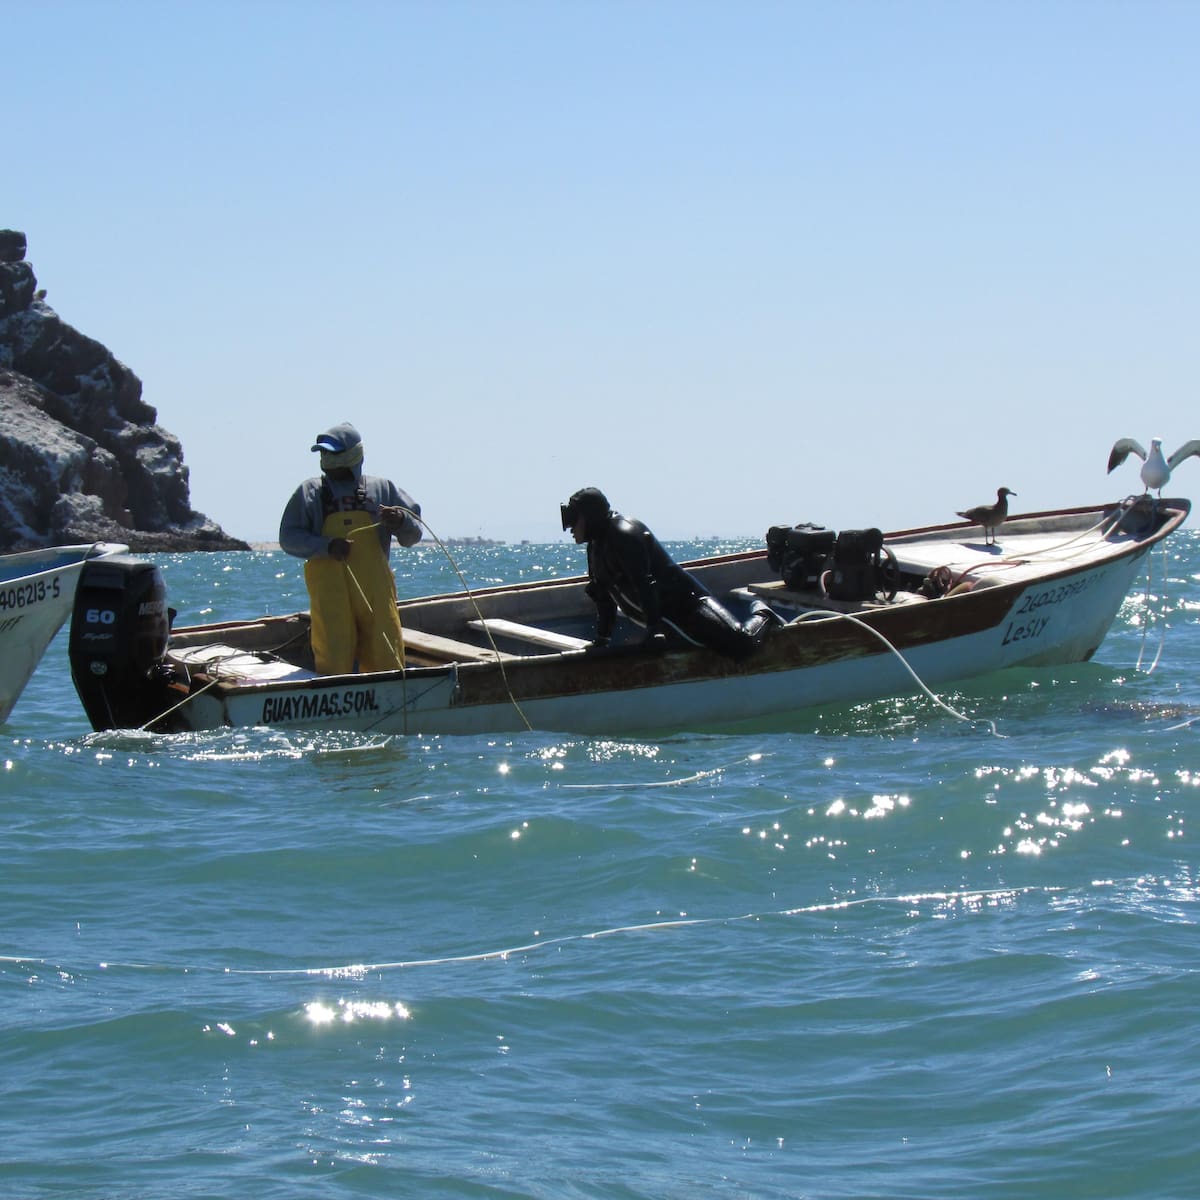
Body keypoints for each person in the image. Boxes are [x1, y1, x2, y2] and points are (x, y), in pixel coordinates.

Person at [560, 487, 783, 660]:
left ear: (590, 517)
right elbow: (604, 596)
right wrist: (602, 639)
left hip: (689, 605)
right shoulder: (596, 547)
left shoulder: (624, 533)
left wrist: (654, 630)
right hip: (665, 616)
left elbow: (643, 583)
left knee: (742, 645)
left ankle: (763, 613)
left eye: (575, 519)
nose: (569, 527)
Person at [279, 422, 421, 674]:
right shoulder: (309, 492)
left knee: (385, 657)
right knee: (333, 657)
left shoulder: (383, 488)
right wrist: (326, 546)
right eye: (323, 453)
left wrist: (400, 520)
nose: (327, 459)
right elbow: (288, 538)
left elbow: (413, 535)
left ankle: (389, 699)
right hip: (329, 594)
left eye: (333, 453)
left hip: (375, 594)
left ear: (352, 455)